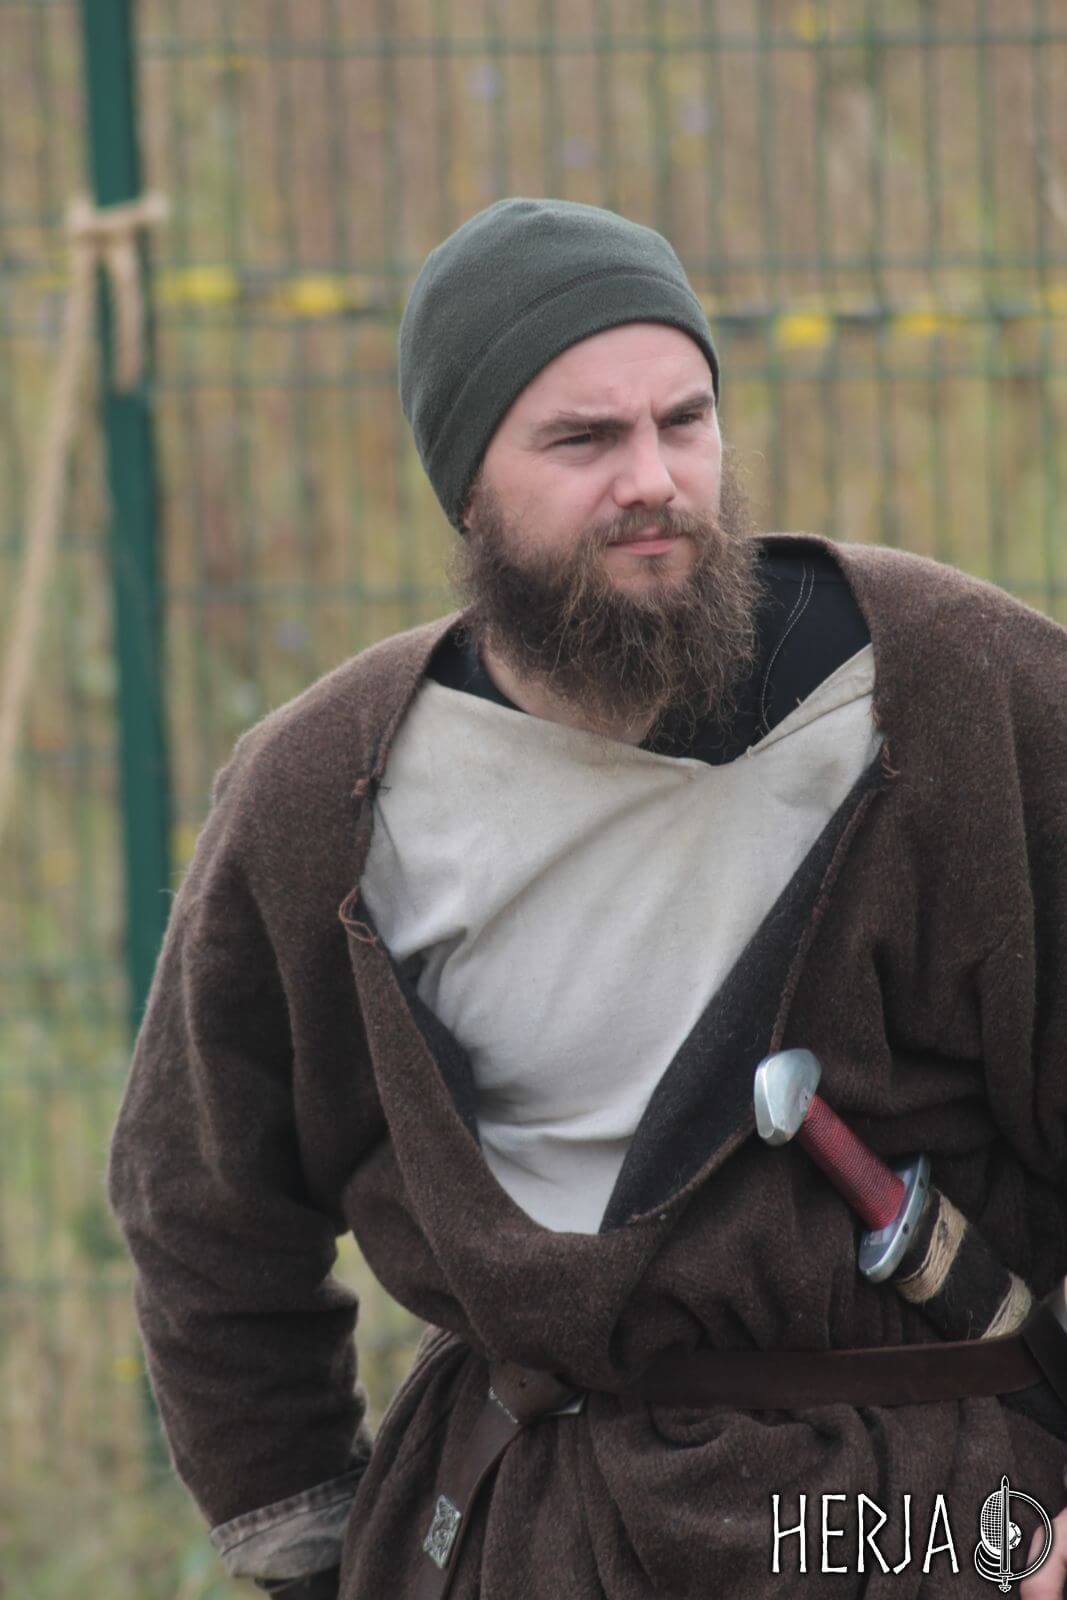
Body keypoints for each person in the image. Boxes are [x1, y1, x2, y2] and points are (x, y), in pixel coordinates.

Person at [108, 197, 1067, 1599]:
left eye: (685, 421)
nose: (653, 480)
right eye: (583, 440)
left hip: (925, 1523)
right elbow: (205, 1207)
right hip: (541, 1533)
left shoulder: (953, 690)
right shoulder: (330, 796)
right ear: (465, 490)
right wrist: (313, 1555)